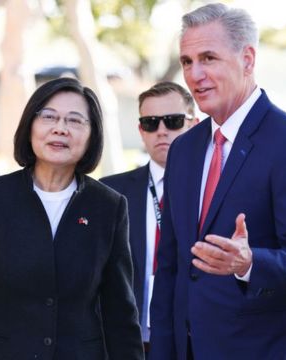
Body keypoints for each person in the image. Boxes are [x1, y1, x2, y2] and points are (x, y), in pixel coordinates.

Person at [0, 77, 144, 359]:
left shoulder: (108, 206)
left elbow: (120, 311)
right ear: (30, 126)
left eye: (75, 121)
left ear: (93, 135)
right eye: (49, 117)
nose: (60, 128)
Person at [149, 3, 286, 359]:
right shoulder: (184, 149)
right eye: (187, 61)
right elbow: (171, 266)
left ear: (248, 59)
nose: (194, 74)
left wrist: (249, 263)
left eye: (208, 58)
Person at [101, 81, 197, 354]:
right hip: (127, 339)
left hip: (191, 338)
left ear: (194, 124)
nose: (162, 131)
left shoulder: (213, 189)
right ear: (141, 130)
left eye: (174, 121)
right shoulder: (109, 190)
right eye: (151, 122)